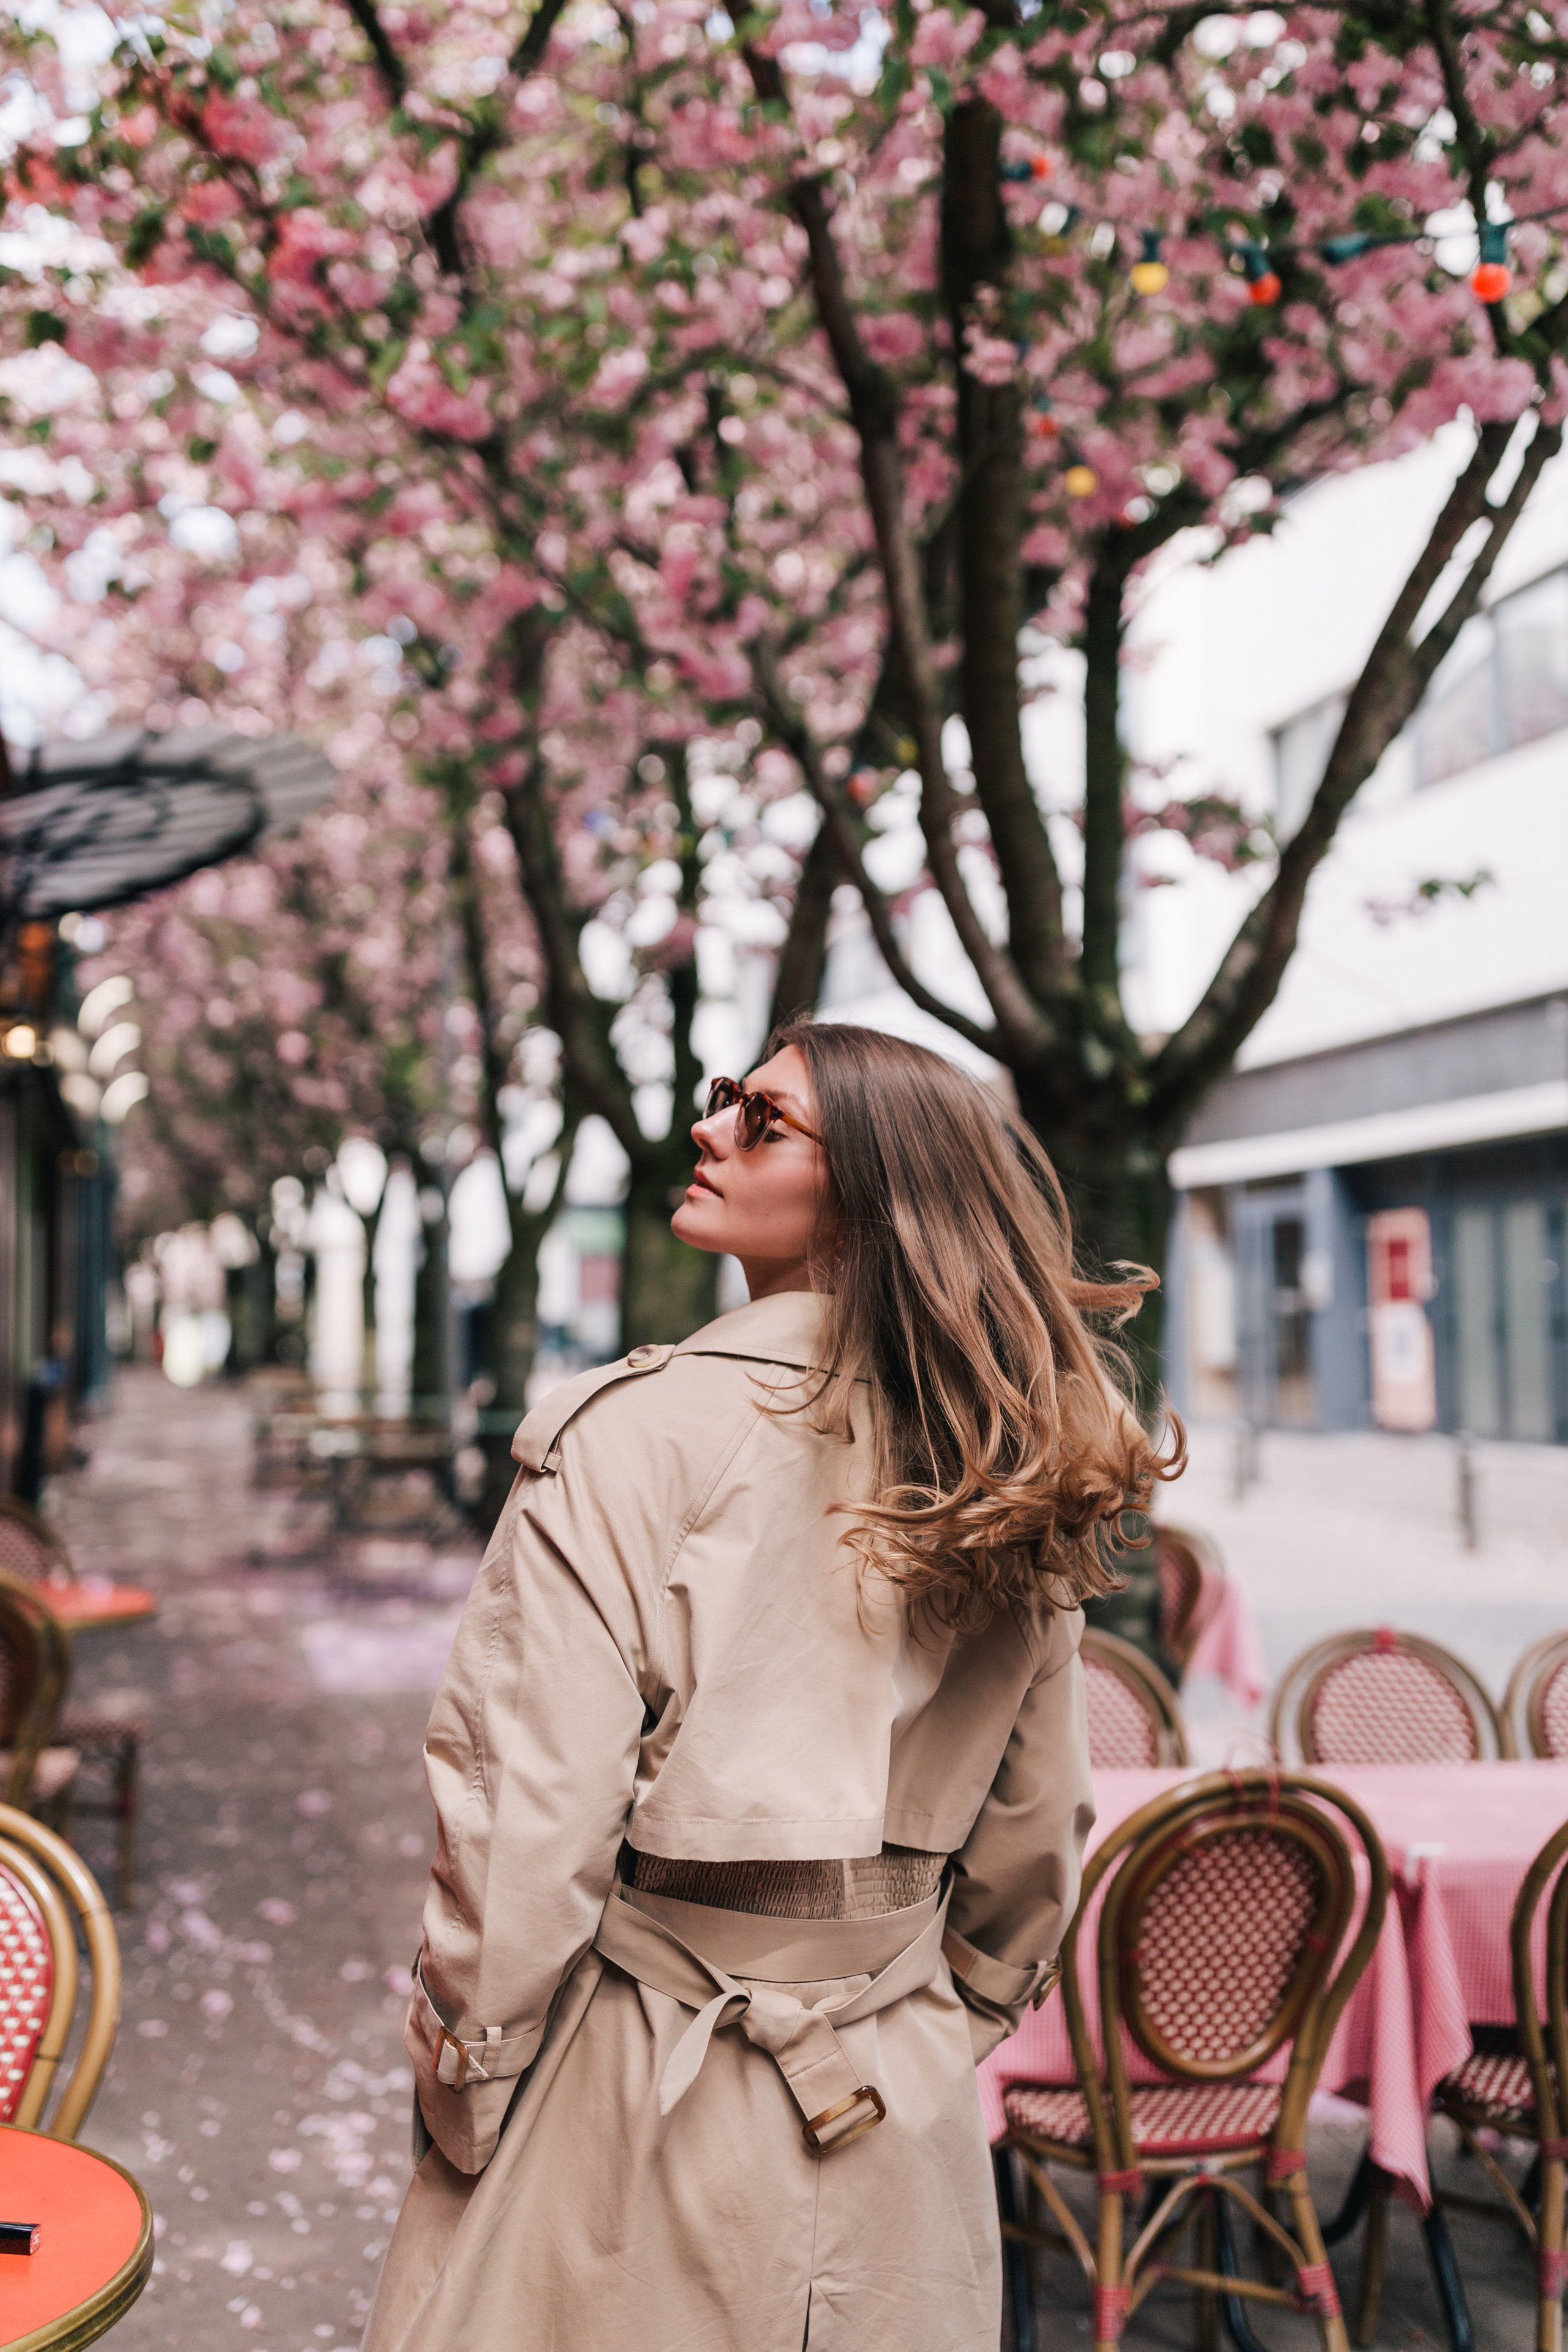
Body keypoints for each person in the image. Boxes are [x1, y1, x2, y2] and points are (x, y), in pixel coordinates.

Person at [364, 1018, 1180, 2352]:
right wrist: (932, 2020)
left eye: (763, 1119)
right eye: (722, 1097)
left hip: (635, 2096)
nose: (709, 1129)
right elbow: (1035, 1835)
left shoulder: (626, 1438)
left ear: (871, 1190)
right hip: (898, 2101)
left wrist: (469, 2087)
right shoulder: (1011, 1450)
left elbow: (525, 1833)